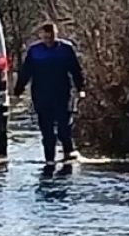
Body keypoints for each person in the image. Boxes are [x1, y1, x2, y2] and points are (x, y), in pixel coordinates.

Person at [13, 22, 85, 164]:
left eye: (51, 37)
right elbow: (26, 72)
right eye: (46, 37)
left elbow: (76, 70)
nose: (48, 40)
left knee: (64, 128)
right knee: (47, 131)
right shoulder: (35, 51)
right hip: (41, 96)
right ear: (41, 36)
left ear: (55, 35)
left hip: (62, 94)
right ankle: (49, 159)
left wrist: (80, 89)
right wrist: (18, 90)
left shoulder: (65, 49)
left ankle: (68, 152)